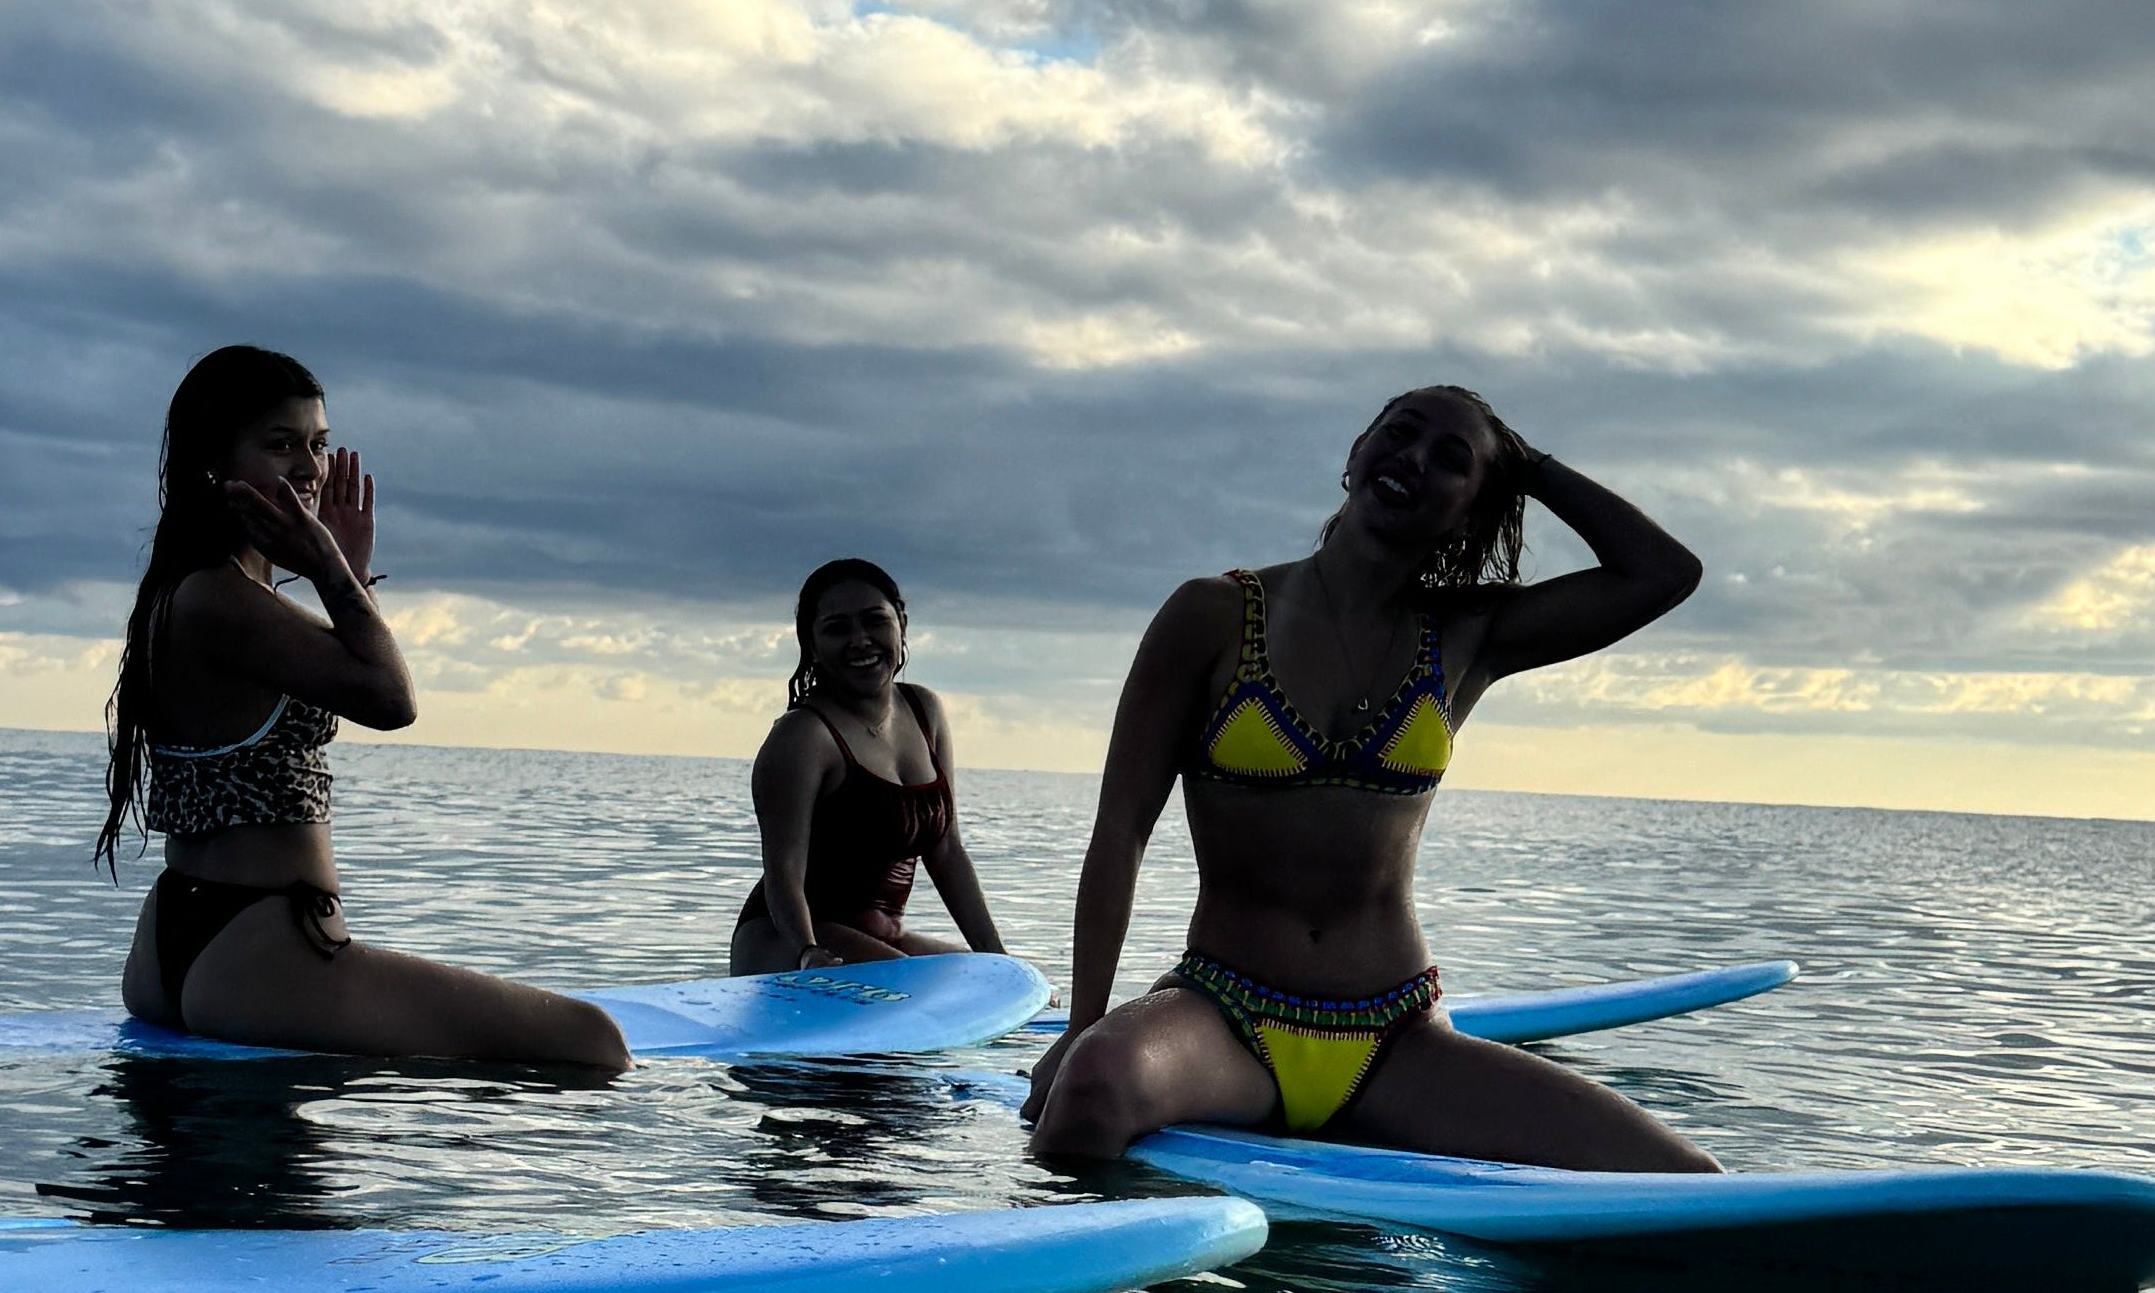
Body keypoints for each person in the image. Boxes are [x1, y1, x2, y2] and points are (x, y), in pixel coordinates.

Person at [1028, 386, 1715, 1176]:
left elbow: (1663, 573)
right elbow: (1121, 831)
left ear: (1471, 508)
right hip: (1225, 1019)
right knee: (1092, 1088)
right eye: (1399, 434)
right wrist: (1082, 1025)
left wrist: (1524, 465)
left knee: (1676, 1176)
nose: (1413, 459)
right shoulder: (1211, 614)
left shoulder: (1470, 633)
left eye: (1450, 461)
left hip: (1395, 1037)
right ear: (1355, 455)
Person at [98, 348, 627, 1075]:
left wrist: (343, 573)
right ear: (214, 461)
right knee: (592, 1041)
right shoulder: (215, 600)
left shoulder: (219, 597)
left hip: (195, 942)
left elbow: (349, 673)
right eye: (280, 444)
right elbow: (390, 700)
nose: (311, 468)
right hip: (258, 947)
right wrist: (329, 570)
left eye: (318, 444)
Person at [730, 560, 1009, 974]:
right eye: (838, 628)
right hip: (791, 939)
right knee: (914, 994)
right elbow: (783, 873)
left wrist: (1000, 960)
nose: (861, 641)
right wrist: (807, 951)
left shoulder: (924, 711)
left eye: (875, 622)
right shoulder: (803, 737)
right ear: (812, 643)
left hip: (883, 939)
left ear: (901, 623)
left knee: (995, 984)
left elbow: (947, 851)